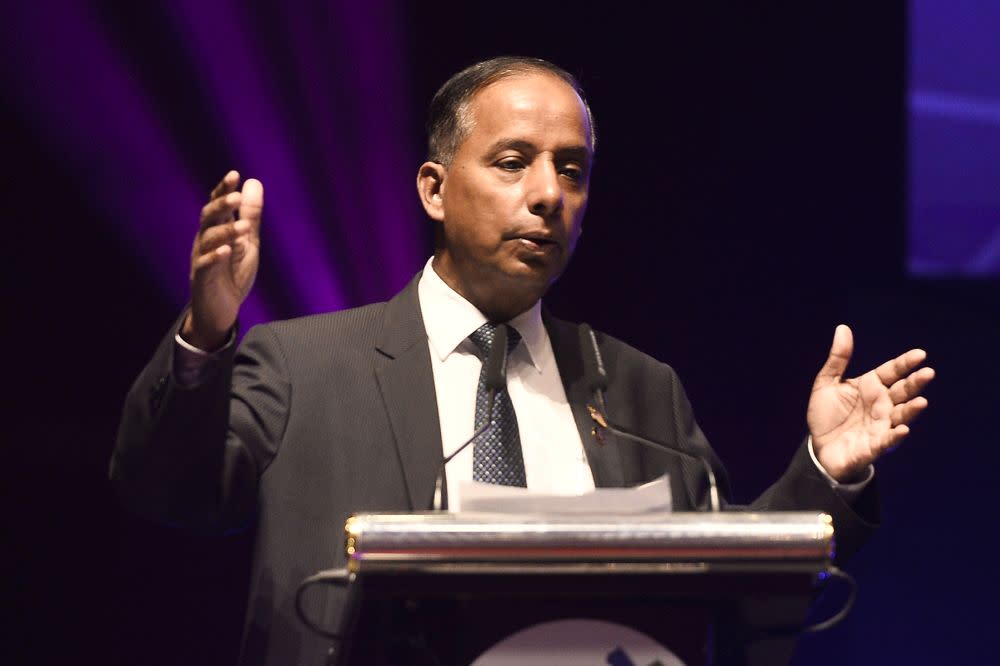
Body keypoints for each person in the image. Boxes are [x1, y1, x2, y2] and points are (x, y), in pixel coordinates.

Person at [112, 57, 934, 666]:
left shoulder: (639, 387)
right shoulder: (304, 362)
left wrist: (824, 470)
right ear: (434, 189)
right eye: (514, 162)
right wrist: (205, 333)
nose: (549, 194)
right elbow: (169, 490)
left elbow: (729, 581)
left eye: (571, 171)